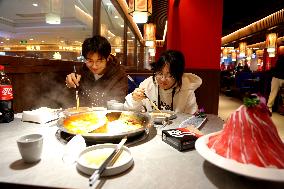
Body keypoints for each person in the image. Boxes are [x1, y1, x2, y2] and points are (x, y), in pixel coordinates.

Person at [124, 50, 202, 114]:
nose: (163, 79)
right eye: (160, 73)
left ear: (178, 75)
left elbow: (191, 117)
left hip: (176, 129)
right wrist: (134, 99)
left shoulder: (186, 89)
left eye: (170, 75)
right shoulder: (148, 84)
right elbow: (131, 112)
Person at [65, 35, 128, 107]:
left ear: (107, 58)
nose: (94, 66)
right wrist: (69, 85)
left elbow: (117, 104)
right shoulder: (81, 72)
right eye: (90, 61)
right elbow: (68, 101)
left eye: (99, 61)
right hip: (82, 116)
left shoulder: (119, 75)